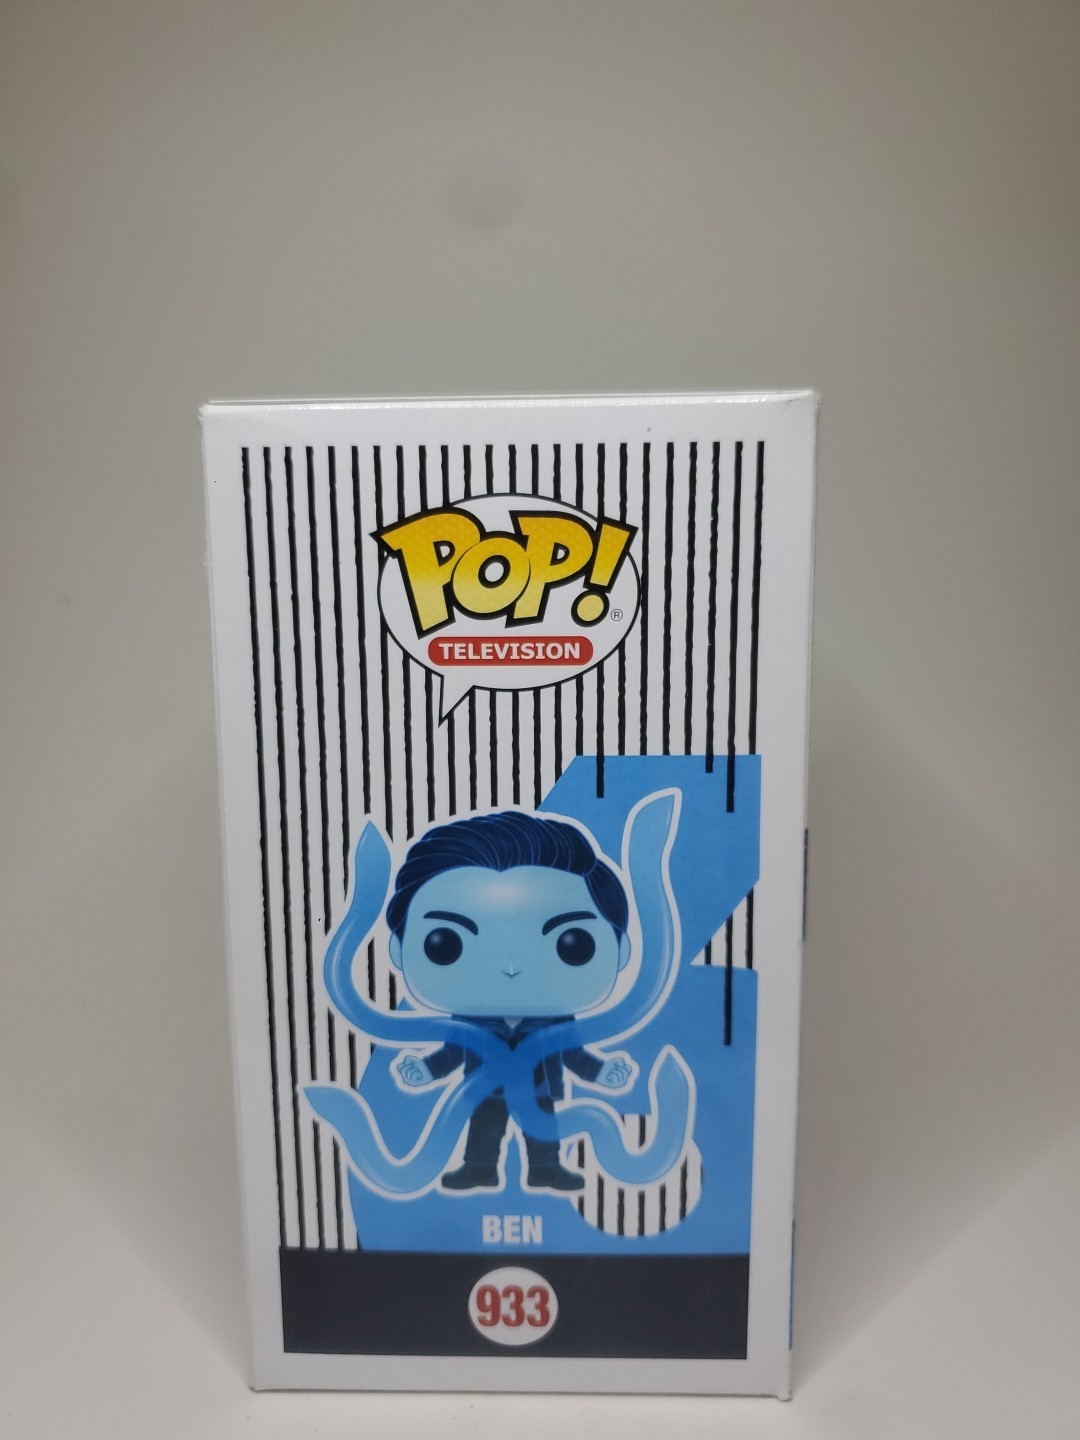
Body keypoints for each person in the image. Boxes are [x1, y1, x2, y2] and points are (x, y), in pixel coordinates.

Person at [387, 810, 637, 1192]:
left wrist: (600, 1072)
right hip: (487, 1087)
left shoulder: (555, 1019)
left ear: (621, 951)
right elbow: (453, 1051)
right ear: (398, 950)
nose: (510, 968)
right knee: (485, 1126)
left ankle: (546, 1169)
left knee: (543, 1130)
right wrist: (427, 1070)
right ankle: (479, 1168)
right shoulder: (469, 1020)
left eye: (573, 944)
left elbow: (573, 1054)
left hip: (539, 1088)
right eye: (445, 944)